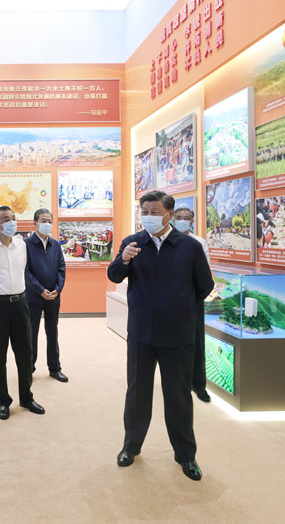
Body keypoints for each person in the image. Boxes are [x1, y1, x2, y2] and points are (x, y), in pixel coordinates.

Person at [107, 191, 214, 481]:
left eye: (154, 212)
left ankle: (186, 454)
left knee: (178, 395)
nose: (148, 217)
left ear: (169, 214)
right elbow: (114, 275)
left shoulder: (189, 246)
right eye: (144, 211)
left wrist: (179, 308)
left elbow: (204, 286)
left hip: (178, 334)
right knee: (137, 392)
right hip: (141, 332)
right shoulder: (133, 243)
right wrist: (124, 260)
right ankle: (131, 447)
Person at [0, 206, 45, 420]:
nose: (11, 222)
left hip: (20, 304)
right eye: (5, 219)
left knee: (25, 353)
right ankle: (3, 401)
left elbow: (23, 270)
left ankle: (26, 397)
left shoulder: (21, 245)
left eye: (13, 218)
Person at [173, 207, 212, 403]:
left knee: (196, 342)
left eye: (186, 218)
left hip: (192, 299)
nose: (182, 220)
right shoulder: (165, 241)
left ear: (192, 221)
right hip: (170, 301)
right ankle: (177, 383)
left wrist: (195, 297)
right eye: (178, 217)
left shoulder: (198, 242)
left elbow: (204, 274)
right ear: (172, 219)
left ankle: (199, 385)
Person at [24, 208, 67, 382]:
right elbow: (26, 271)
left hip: (53, 297)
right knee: (31, 334)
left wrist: (58, 289)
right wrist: (41, 290)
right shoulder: (26, 244)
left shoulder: (55, 245)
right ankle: (29, 368)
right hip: (33, 297)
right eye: (43, 221)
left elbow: (61, 268)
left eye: (49, 221)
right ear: (35, 223)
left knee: (53, 333)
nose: (47, 224)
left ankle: (55, 368)